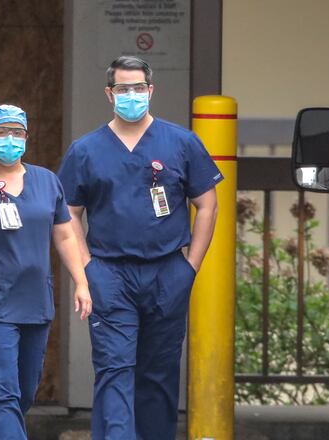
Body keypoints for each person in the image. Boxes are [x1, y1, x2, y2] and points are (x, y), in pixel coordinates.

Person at [57, 56, 222, 439]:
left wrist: (190, 267)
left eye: (138, 88)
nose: (131, 95)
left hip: (168, 272)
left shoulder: (181, 142)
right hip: (110, 273)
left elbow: (208, 204)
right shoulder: (86, 150)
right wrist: (87, 270)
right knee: (114, 368)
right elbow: (68, 213)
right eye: (122, 89)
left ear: (150, 91)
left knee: (159, 371)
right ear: (109, 94)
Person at [0, 104, 92, 439]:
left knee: (22, 396)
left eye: (17, 133)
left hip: (34, 304)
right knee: (2, 397)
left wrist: (82, 281)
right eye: (1, 133)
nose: (9, 139)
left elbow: (66, 233)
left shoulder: (47, 181)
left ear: (27, 136)